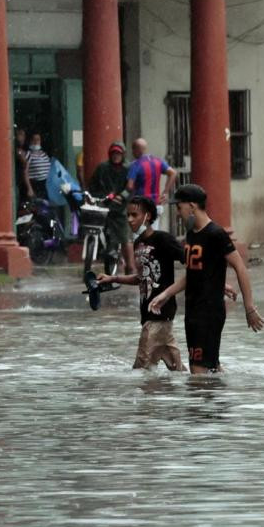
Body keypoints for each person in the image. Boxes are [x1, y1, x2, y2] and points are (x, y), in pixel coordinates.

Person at [148, 184, 264, 374]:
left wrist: (249, 308)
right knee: (211, 369)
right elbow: (194, 273)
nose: (178, 213)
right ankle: (222, 399)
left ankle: (208, 403)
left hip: (208, 313)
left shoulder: (215, 234)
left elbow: (240, 268)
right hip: (193, 311)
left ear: (192, 206)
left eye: (179, 207)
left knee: (198, 372)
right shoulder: (192, 234)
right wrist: (166, 294)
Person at [96, 197, 186, 372]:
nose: (129, 219)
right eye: (127, 215)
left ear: (148, 216)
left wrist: (216, 282)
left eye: (134, 215)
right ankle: (202, 388)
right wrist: (113, 278)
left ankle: (147, 400)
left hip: (159, 314)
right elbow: (141, 278)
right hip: (149, 315)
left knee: (141, 370)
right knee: (177, 371)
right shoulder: (138, 244)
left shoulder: (163, 239)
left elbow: (193, 263)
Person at [88, 141, 134, 272]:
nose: (116, 156)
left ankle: (130, 267)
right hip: (104, 204)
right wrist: (98, 196)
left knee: (125, 237)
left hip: (121, 207)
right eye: (113, 153)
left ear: (123, 154)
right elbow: (93, 185)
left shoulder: (128, 169)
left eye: (118, 153)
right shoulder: (102, 168)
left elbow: (131, 187)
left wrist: (122, 196)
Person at [126, 138, 177, 230]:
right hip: (156, 204)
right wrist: (165, 192)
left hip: (140, 206)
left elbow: (130, 186)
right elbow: (173, 173)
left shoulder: (136, 165)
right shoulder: (158, 161)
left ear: (135, 150)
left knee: (139, 236)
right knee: (153, 233)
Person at [24, 133, 51, 205]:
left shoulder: (44, 154)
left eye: (38, 140)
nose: (36, 142)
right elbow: (25, 172)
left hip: (45, 185)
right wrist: (29, 188)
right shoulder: (28, 154)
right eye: (34, 140)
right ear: (30, 141)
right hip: (35, 185)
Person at [14, 127, 32, 209]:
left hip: (22, 183)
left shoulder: (26, 150)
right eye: (18, 134)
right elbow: (25, 165)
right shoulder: (16, 149)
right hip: (17, 183)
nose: (20, 137)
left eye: (22, 134)